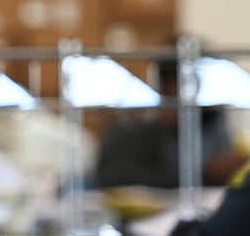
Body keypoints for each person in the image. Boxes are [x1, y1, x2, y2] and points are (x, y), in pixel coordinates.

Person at [95, 57, 248, 189]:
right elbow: (113, 179)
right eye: (175, 89)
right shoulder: (131, 130)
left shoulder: (210, 122)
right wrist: (205, 172)